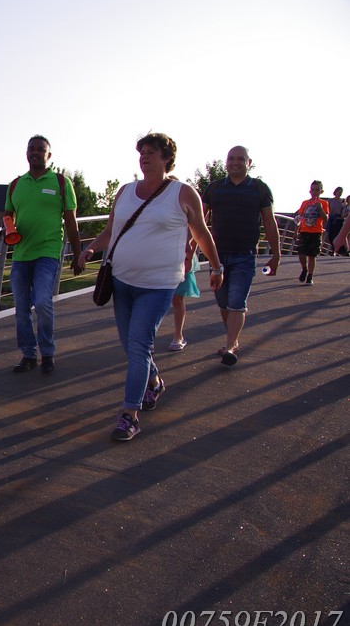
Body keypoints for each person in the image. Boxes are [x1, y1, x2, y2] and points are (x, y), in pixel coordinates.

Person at [77, 133, 222, 442]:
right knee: (130, 346)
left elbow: (202, 232)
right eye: (141, 152)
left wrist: (217, 267)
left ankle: (129, 415)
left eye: (151, 152)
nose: (144, 157)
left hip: (158, 285)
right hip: (121, 280)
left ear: (166, 158)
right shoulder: (125, 191)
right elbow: (110, 230)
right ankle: (154, 382)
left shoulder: (183, 193)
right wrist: (90, 249)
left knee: (139, 345)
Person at [5, 135, 83, 375]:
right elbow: (8, 214)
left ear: (49, 155)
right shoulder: (16, 184)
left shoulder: (61, 182)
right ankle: (29, 354)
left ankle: (47, 353)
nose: (35, 153)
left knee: (42, 302)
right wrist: (8, 226)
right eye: (32, 149)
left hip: (47, 252)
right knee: (21, 308)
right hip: (21, 254)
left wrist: (77, 254)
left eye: (40, 149)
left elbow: (71, 221)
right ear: (26, 153)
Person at [201, 146, 280, 365]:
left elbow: (270, 222)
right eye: (231, 158)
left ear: (248, 163)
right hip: (217, 256)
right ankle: (233, 340)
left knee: (236, 301)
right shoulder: (214, 188)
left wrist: (276, 255)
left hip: (245, 255)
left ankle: (229, 348)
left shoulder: (259, 188)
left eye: (240, 159)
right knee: (223, 302)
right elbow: (199, 220)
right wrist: (189, 247)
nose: (235, 162)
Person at [293, 180, 330, 285]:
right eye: (313, 190)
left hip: (316, 232)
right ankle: (304, 269)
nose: (315, 192)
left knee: (312, 255)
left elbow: (326, 218)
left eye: (317, 190)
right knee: (301, 252)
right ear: (310, 191)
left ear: (321, 191)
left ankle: (310, 275)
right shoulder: (305, 203)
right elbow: (299, 218)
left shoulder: (324, 203)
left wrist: (320, 208)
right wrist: (296, 232)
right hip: (304, 231)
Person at [168, 238, 199, 352]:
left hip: (181, 255)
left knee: (177, 297)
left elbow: (197, 235)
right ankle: (148, 338)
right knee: (152, 296)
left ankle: (178, 336)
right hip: (160, 253)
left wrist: (189, 257)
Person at [325, 187, 344, 253]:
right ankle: (333, 248)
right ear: (335, 192)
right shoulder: (330, 201)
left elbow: (344, 211)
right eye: (339, 192)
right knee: (330, 234)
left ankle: (334, 250)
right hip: (331, 218)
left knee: (336, 234)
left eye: (341, 192)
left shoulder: (342, 201)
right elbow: (327, 209)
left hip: (338, 219)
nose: (340, 194)